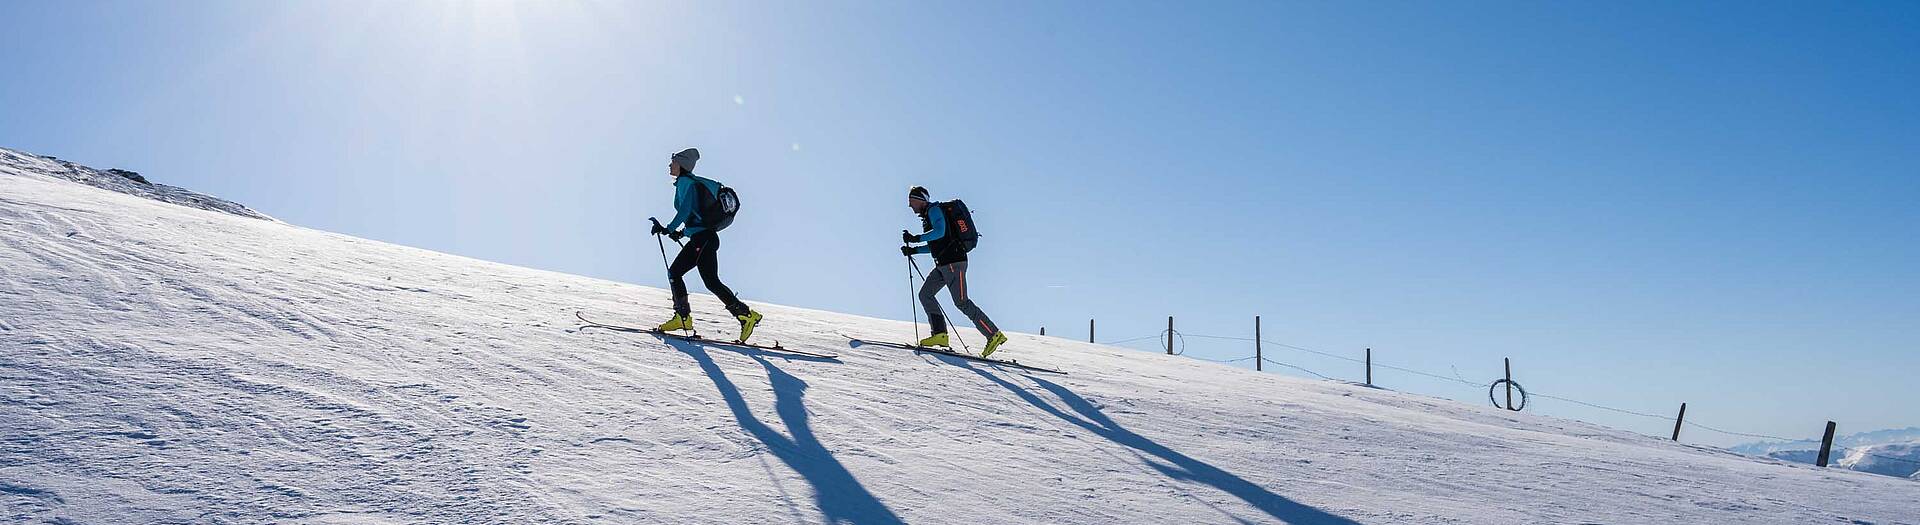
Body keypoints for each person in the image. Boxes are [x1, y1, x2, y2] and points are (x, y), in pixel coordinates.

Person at [651, 148, 763, 342]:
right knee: (710, 281)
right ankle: (745, 316)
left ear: (682, 165)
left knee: (677, 273)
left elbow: (686, 210)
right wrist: (681, 232)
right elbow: (696, 218)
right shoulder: (688, 183)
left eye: (673, 162)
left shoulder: (686, 183)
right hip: (703, 238)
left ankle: (684, 318)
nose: (670, 165)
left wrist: (669, 228)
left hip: (703, 240)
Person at [901, 185, 1009, 357]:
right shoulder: (928, 217)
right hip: (943, 265)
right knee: (925, 294)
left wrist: (916, 238)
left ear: (920, 199)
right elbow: (935, 245)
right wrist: (914, 250)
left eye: (911, 201)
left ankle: (993, 334)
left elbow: (940, 232)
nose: (909, 205)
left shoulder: (934, 210)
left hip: (954, 263)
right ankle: (940, 335)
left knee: (961, 302)